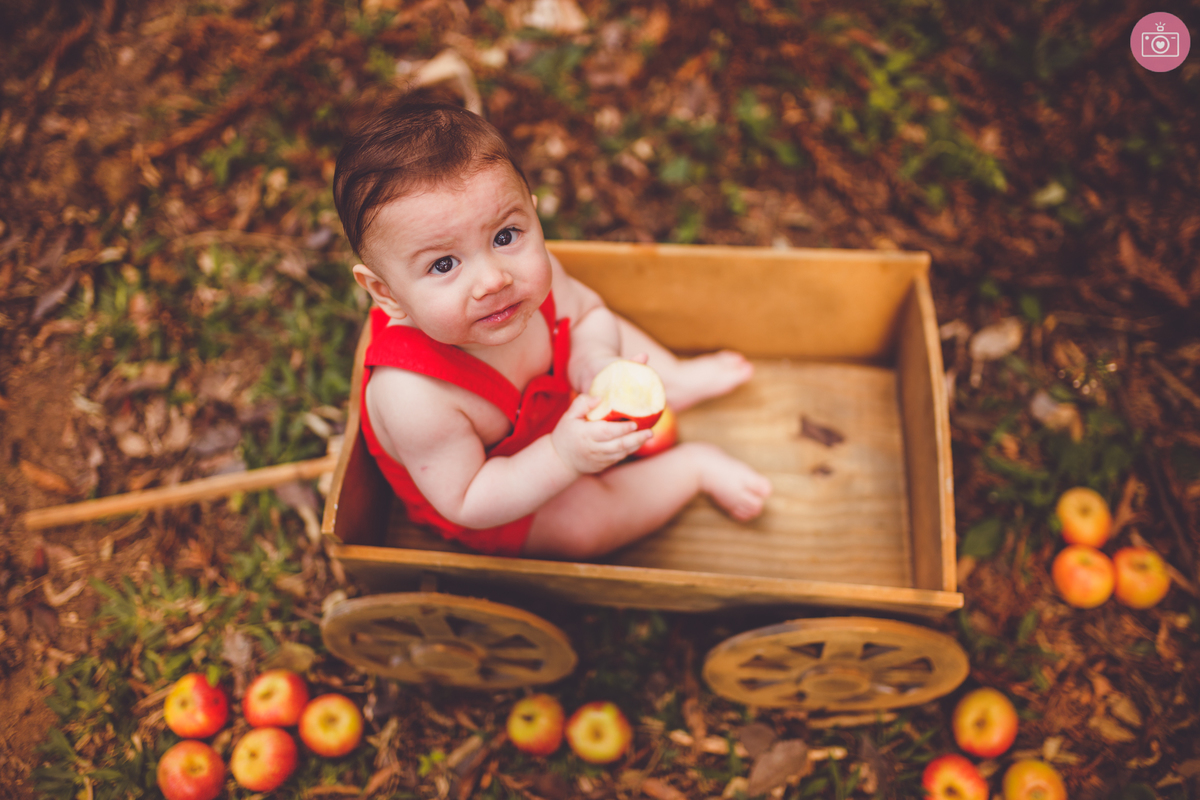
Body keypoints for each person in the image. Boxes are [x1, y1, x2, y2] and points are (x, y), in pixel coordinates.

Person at [332, 97, 771, 560]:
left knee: (598, 323)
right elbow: (469, 498)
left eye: (505, 236)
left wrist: (595, 362)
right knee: (580, 528)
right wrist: (563, 457)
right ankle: (692, 470)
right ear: (386, 293)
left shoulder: (525, 281)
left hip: (558, 404)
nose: (493, 280)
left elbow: (588, 316)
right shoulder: (414, 397)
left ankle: (673, 378)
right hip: (506, 486)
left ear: (533, 217)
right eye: (444, 264)